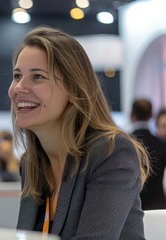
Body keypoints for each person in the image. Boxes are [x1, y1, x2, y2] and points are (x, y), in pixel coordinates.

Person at [9, 26, 150, 239]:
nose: (19, 87)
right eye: (17, 75)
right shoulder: (31, 163)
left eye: (37, 77)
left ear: (74, 90)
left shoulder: (112, 153)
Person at [130, 98, 166, 210]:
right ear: (151, 115)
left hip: (132, 207)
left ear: (132, 115)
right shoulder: (162, 144)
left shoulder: (125, 143)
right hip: (158, 206)